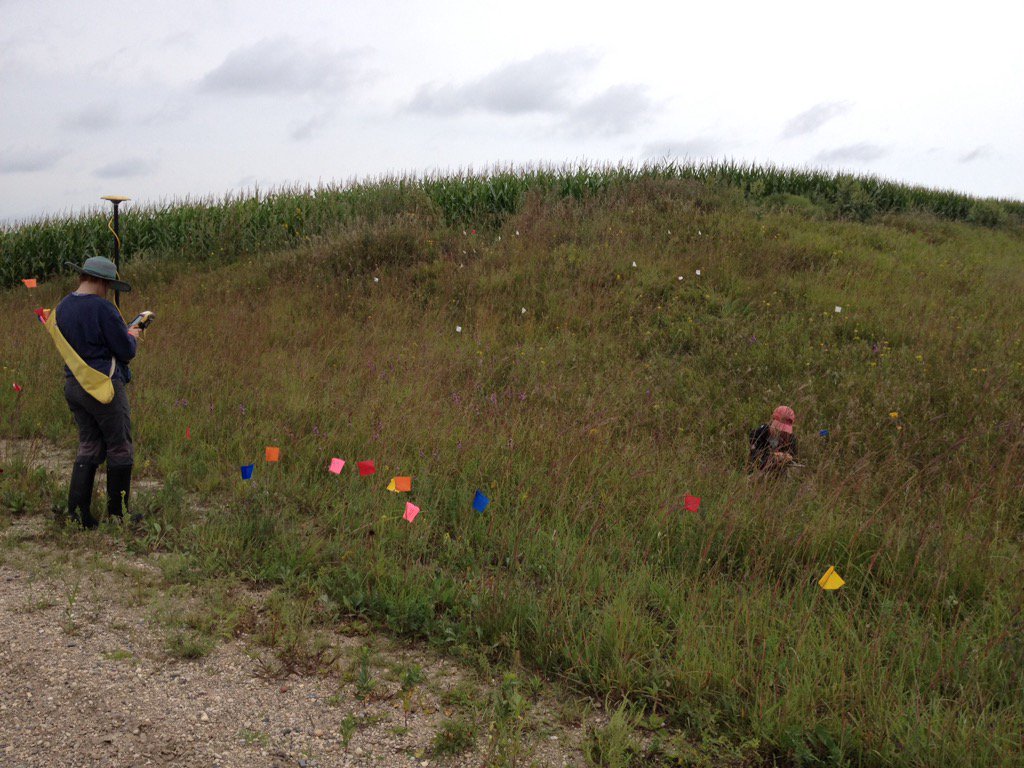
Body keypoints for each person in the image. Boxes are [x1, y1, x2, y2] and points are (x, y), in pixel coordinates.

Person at [49, 256, 140, 528]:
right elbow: (125, 351)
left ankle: (79, 515)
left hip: (73, 385)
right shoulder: (103, 308)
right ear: (101, 281)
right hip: (103, 386)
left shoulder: (62, 307)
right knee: (120, 445)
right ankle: (118, 515)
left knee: (89, 444)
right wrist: (132, 336)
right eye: (108, 285)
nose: (108, 290)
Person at [748, 405, 798, 475]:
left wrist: (788, 458)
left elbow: (794, 459)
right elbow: (753, 456)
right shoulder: (758, 434)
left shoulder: (791, 438)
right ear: (772, 421)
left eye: (784, 430)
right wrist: (773, 456)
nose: (781, 432)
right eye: (778, 428)